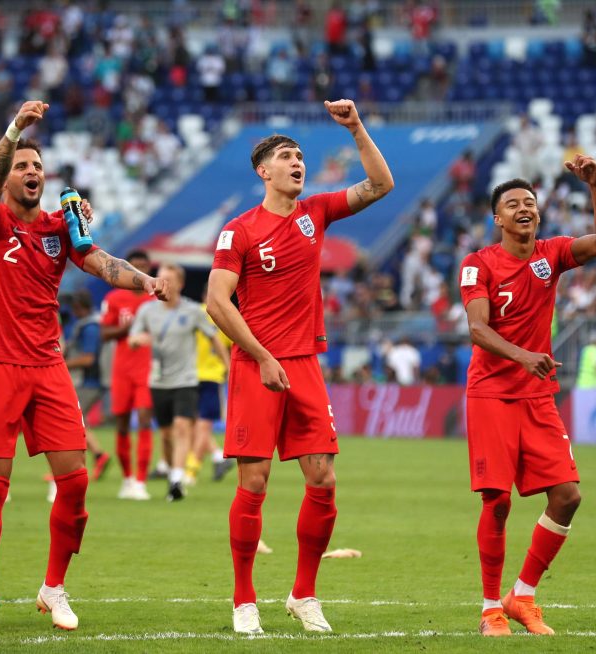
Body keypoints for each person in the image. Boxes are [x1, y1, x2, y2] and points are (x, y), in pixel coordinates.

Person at [0, 100, 169, 634]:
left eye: (37, 167)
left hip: (47, 366)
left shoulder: (62, 228)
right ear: (5, 175)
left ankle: (53, 586)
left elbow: (100, 262)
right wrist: (13, 131)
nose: (32, 172)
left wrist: (143, 283)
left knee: (75, 484)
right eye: (21, 167)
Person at [206, 99, 394, 634]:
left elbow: (380, 184)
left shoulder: (317, 213)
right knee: (255, 481)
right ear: (264, 171)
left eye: (301, 157)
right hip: (254, 366)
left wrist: (356, 127)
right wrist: (262, 355)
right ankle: (244, 601)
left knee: (324, 479)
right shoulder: (238, 230)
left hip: (305, 364)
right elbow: (218, 301)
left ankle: (303, 595)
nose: (297, 163)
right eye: (287, 157)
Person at [459, 156, 596, 637]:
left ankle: (522, 596)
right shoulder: (478, 263)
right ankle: (490, 609)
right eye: (513, 204)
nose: (525, 208)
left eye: (530, 202)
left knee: (568, 496)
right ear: (498, 219)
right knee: (498, 500)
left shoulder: (552, 254)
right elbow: (477, 328)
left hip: (537, 396)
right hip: (490, 393)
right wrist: (524, 355)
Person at [129, 263, 230, 501]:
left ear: (180, 284)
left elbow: (214, 337)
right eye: (160, 279)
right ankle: (171, 468)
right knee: (166, 434)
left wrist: (228, 366)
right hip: (158, 380)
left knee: (183, 427)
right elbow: (133, 336)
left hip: (186, 379)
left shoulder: (193, 310)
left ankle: (176, 479)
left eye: (169, 280)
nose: (164, 284)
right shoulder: (147, 311)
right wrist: (137, 340)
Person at [100, 249, 155, 500]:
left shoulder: (155, 300)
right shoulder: (114, 298)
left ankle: (141, 481)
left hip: (148, 369)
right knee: (121, 425)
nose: (140, 270)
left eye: (144, 266)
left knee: (144, 420)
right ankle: (127, 478)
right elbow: (104, 334)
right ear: (127, 268)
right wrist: (130, 327)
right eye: (135, 266)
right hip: (121, 369)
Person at [63, 290, 111, 480]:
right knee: (78, 421)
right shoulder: (88, 323)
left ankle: (80, 464)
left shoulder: (90, 327)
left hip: (89, 381)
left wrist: (60, 365)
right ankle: (98, 456)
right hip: (87, 380)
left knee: (73, 422)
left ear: (78, 307)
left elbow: (89, 359)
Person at [191, 283, 234, 485]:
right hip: (212, 376)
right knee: (201, 425)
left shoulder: (193, 312)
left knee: (196, 424)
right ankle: (217, 456)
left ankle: (191, 472)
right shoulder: (227, 317)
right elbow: (235, 345)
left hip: (189, 376)